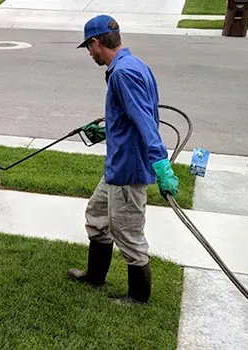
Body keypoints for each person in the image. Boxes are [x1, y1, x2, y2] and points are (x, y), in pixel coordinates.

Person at [67, 14, 179, 304]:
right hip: (116, 166)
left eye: (88, 48)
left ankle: (138, 297)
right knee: (96, 216)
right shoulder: (134, 65)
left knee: (127, 232)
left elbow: (145, 122)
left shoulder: (123, 73)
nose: (89, 54)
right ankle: (95, 276)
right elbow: (130, 117)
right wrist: (105, 132)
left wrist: (162, 165)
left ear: (96, 42)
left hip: (128, 170)